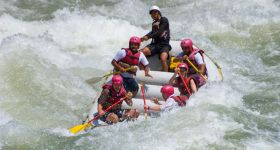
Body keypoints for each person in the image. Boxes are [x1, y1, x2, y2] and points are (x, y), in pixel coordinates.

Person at [141, 5, 171, 72]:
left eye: (155, 13)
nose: (153, 15)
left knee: (163, 59)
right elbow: (152, 32)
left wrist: (148, 37)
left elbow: (160, 31)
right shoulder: (154, 23)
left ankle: (166, 76)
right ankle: (143, 70)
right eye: (151, 14)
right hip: (155, 45)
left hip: (164, 45)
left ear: (159, 13)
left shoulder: (164, 20)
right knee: (142, 52)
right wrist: (144, 37)